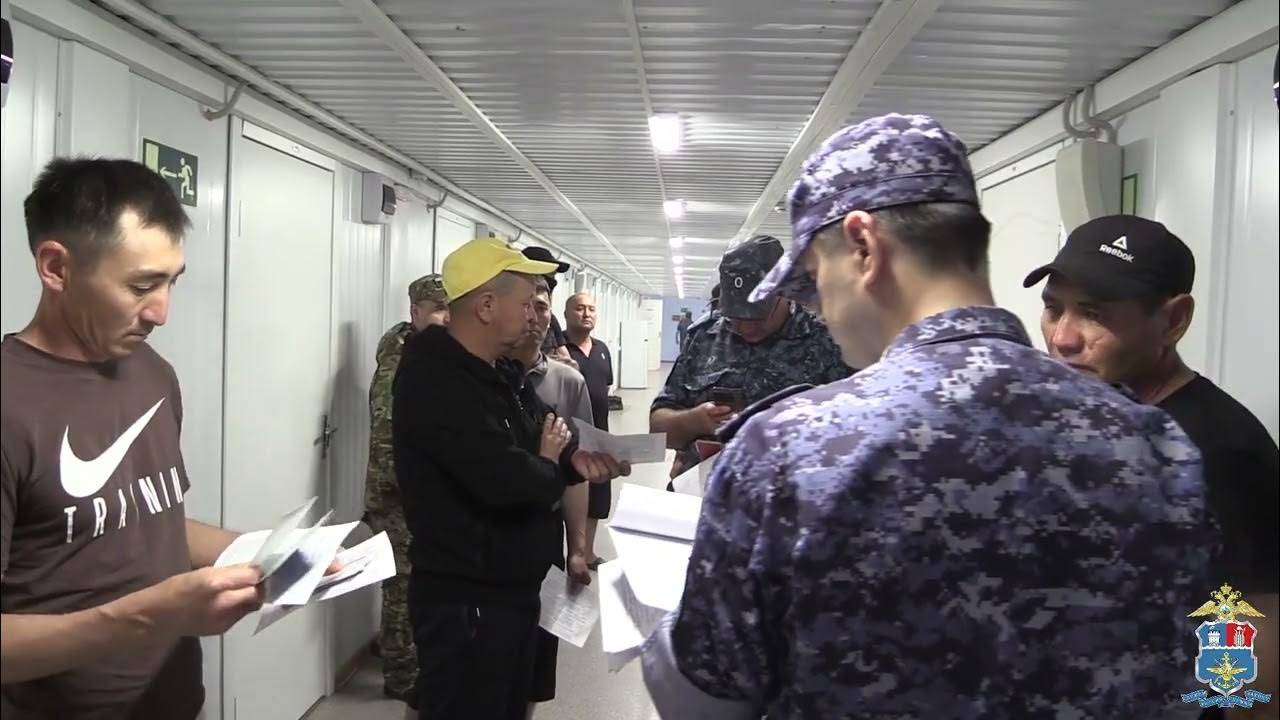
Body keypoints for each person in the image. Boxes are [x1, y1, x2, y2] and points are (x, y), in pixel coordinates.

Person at [641, 114, 1214, 718]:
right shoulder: (1156, 443)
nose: (822, 310)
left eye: (815, 279)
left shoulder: (786, 449)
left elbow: (705, 703)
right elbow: (1202, 682)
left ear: (863, 247)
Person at [0, 159, 263, 718]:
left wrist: (265, 555)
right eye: (141, 286)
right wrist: (148, 617)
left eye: (172, 281)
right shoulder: (10, 404)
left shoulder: (152, 373)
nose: (161, 312)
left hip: (175, 700)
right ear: (56, 267)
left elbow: (144, 522)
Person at [1025, 214, 1279, 716]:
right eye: (1053, 309)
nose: (1063, 338)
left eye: (1093, 314)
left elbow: (1249, 623)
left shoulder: (1219, 450)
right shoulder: (1084, 417)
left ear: (1173, 320)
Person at [391, 239, 629, 720]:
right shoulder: (438, 381)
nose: (537, 316)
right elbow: (506, 480)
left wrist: (572, 464)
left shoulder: (497, 375)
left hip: (510, 592)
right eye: (526, 303)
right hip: (470, 602)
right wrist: (547, 465)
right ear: (485, 306)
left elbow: (543, 443)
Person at [649, 235, 853, 481]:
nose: (745, 327)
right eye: (735, 317)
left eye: (757, 316)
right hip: (699, 491)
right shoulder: (704, 336)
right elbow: (658, 428)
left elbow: (857, 438)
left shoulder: (829, 342)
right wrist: (696, 421)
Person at [506, 277, 595, 711]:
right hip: (492, 537)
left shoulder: (567, 382)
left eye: (541, 307)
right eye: (525, 306)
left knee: (535, 663)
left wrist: (577, 548)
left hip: (544, 536)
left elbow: (576, 475)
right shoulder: (478, 379)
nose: (533, 317)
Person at [363, 273, 449, 707]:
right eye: (438, 309)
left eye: (451, 309)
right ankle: (400, 676)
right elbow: (387, 434)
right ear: (416, 312)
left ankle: (411, 658)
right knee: (401, 587)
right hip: (397, 494)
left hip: (416, 493)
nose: (446, 317)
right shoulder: (401, 358)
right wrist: (411, 490)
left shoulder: (421, 348)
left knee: (416, 584)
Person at [562, 292, 614, 568]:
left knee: (598, 494)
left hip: (600, 434)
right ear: (566, 313)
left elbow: (605, 386)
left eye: (591, 309)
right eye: (579, 308)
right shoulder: (558, 347)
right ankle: (571, 551)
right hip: (569, 435)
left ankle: (588, 552)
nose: (586, 314)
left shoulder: (602, 348)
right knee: (568, 491)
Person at [521, 245, 575, 368]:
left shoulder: (549, 318)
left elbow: (564, 355)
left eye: (553, 277)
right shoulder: (509, 314)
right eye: (547, 276)